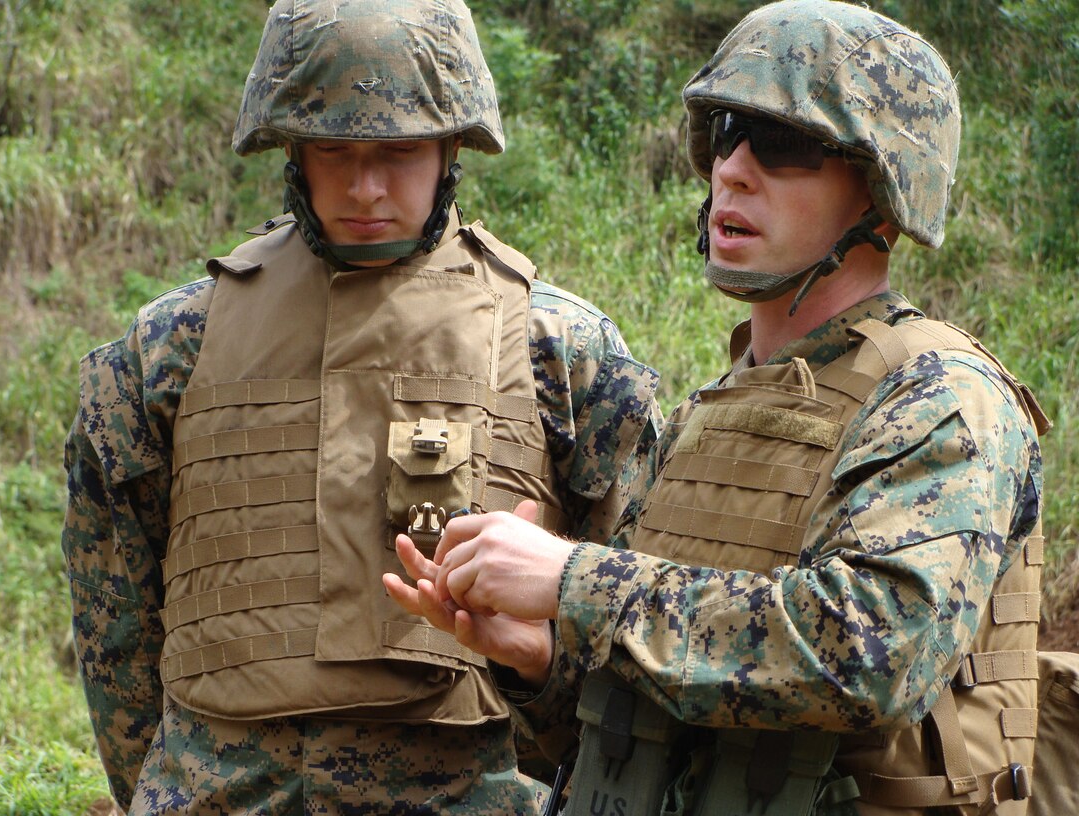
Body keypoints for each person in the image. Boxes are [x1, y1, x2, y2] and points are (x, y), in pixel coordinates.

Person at [384, 1, 1052, 814]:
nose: (732, 169)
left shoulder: (945, 398)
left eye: (781, 146)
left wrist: (573, 582)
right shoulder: (718, 412)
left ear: (883, 190)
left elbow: (874, 655)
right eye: (727, 132)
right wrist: (542, 662)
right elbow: (664, 718)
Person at [60, 0, 661, 813]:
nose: (365, 185)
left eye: (400, 151)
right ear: (290, 151)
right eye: (333, 149)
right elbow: (114, 627)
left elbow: (619, 641)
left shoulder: (562, 349)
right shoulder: (168, 351)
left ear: (452, 146)